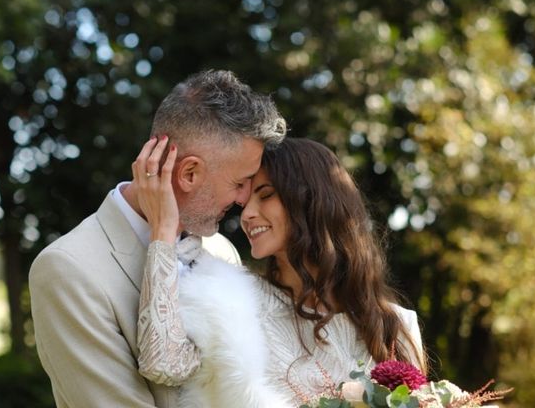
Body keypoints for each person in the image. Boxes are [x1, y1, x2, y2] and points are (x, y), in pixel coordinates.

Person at [29, 69, 287, 408]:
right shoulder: (68, 269)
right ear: (189, 173)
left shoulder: (219, 251)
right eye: (240, 182)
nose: (243, 199)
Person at [134, 137, 425, 407]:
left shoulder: (396, 325)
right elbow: (161, 364)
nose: (247, 214)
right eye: (246, 201)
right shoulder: (233, 304)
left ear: (311, 200)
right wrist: (163, 232)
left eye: (266, 195)